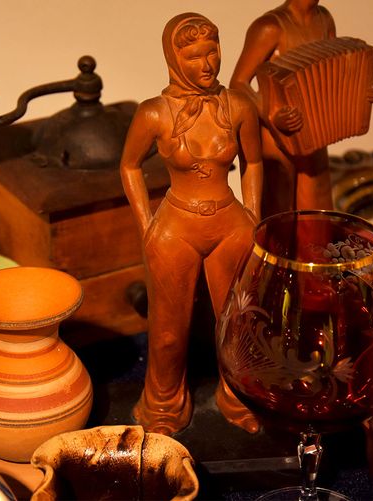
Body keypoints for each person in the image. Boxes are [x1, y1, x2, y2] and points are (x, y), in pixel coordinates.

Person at [120, 12, 262, 435]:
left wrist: (253, 216)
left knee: (238, 323)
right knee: (167, 332)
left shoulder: (238, 106)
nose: (207, 64)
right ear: (173, 59)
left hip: (230, 226)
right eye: (194, 57)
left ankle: (238, 396)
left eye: (212, 52)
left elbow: (254, 162)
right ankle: (164, 405)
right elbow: (128, 166)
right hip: (175, 228)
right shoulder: (154, 113)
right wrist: (146, 224)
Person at [230, 0, 336, 217]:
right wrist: (272, 113)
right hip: (276, 135)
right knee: (278, 212)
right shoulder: (269, 27)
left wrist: (362, 91)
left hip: (314, 132)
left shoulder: (324, 20)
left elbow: (335, 69)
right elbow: (238, 83)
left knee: (317, 214)